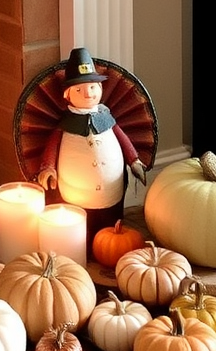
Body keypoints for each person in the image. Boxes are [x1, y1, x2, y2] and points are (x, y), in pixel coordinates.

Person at [36, 48, 146, 251]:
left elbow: (123, 139)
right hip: (77, 195)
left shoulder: (107, 117)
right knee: (82, 232)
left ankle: (110, 243)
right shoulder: (65, 125)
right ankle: (82, 248)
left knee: (112, 226)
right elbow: (52, 147)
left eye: (93, 87)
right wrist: (48, 168)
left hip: (113, 190)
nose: (88, 93)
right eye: (79, 89)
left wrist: (134, 161)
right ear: (67, 94)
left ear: (101, 88)